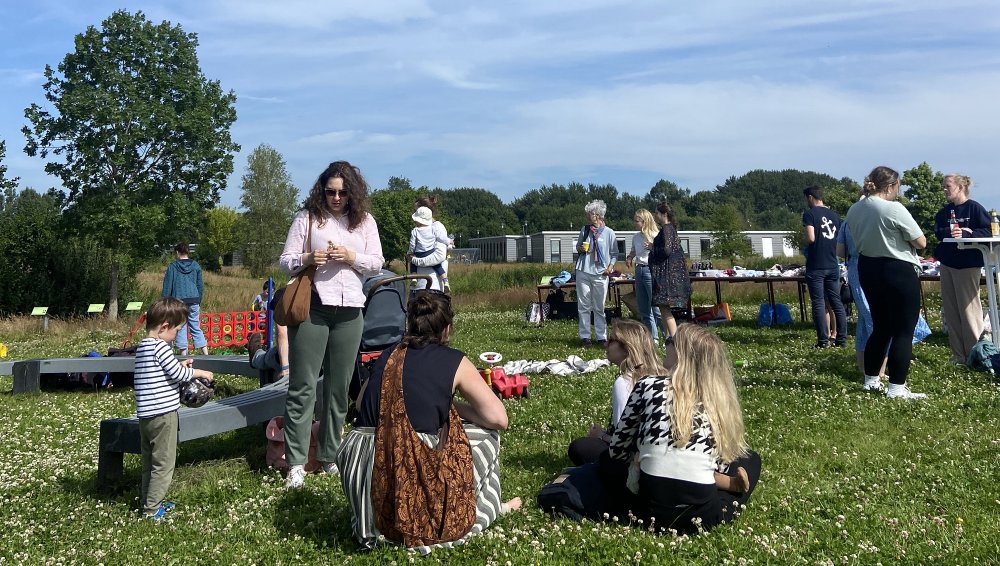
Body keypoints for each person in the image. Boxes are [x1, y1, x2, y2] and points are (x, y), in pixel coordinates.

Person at [337, 290, 521, 552]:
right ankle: (483, 505)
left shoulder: (388, 355)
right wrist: (453, 406)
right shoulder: (454, 361)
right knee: (488, 436)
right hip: (403, 467)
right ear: (446, 329)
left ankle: (377, 523)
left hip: (362, 464)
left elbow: (359, 403)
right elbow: (498, 418)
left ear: (410, 324)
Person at [278, 160, 384, 488]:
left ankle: (328, 456)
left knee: (338, 389)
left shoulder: (364, 222)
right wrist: (309, 259)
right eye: (330, 191)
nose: (336, 198)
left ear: (352, 193)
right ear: (321, 191)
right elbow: (286, 262)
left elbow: (378, 263)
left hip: (350, 310)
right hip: (314, 307)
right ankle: (296, 463)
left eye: (342, 192)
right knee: (303, 386)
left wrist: (351, 258)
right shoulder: (307, 218)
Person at [603, 323, 760, 534]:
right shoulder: (717, 400)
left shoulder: (648, 384)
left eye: (670, 341)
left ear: (681, 352)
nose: (665, 345)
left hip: (647, 509)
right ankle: (727, 499)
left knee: (602, 460)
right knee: (751, 459)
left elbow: (617, 451)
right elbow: (719, 467)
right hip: (702, 516)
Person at [844, 166, 928, 399]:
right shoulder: (893, 208)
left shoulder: (854, 209)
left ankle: (871, 380)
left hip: (868, 268)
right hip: (897, 269)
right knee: (903, 330)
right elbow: (921, 241)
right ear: (891, 186)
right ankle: (897, 387)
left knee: (881, 327)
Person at [134, 297, 215, 520]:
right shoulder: (161, 346)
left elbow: (161, 371)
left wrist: (178, 363)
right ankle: (152, 510)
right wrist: (200, 373)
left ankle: (147, 500)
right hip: (163, 416)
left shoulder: (143, 346)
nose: (178, 335)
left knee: (149, 462)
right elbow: (179, 376)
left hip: (146, 416)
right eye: (178, 330)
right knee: (164, 463)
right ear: (164, 327)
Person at [568, 319, 672, 465]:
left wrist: (601, 435)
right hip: (667, 454)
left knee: (580, 447)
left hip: (638, 460)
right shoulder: (665, 375)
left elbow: (624, 441)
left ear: (626, 347)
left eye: (611, 340)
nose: (606, 344)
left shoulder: (625, 382)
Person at [933, 174, 991, 365]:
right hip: (948, 262)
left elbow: (990, 229)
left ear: (960, 187)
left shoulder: (974, 208)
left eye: (947, 186)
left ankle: (975, 354)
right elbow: (938, 231)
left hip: (967, 264)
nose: (944, 189)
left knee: (968, 310)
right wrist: (950, 231)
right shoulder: (944, 212)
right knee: (951, 311)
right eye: (944, 186)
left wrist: (969, 232)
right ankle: (958, 355)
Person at [837, 191, 888, 380]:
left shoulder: (848, 220)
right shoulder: (877, 217)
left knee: (865, 319)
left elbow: (840, 250)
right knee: (877, 320)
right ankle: (879, 368)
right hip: (875, 266)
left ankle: (862, 364)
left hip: (855, 268)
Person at [802, 185, 848, 348]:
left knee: (819, 303)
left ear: (809, 197)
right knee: (836, 301)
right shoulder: (835, 215)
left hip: (816, 264)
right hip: (832, 263)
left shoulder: (809, 214)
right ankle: (841, 338)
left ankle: (823, 340)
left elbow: (811, 238)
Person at [575, 200, 617, 347]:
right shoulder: (585, 229)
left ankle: (601, 336)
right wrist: (581, 248)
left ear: (598, 215)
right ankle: (585, 336)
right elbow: (578, 247)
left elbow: (614, 253)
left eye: (590, 213)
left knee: (599, 306)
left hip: (601, 273)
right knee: (584, 305)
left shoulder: (609, 233)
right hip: (583, 270)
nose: (588, 216)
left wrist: (611, 267)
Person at [649, 202, 692, 342]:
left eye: (657, 213)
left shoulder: (667, 229)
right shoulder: (671, 229)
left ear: (664, 214)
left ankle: (674, 340)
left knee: (664, 309)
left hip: (666, 277)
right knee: (663, 309)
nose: (656, 215)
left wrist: (653, 248)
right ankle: (668, 339)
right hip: (670, 275)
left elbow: (667, 250)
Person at [161, 243, 209, 356]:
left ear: (177, 253)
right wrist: (199, 299)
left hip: (179, 301)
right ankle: (206, 353)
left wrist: (165, 301)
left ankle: (184, 355)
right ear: (187, 252)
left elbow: (167, 286)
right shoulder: (196, 265)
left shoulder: (173, 267)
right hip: (194, 299)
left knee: (181, 327)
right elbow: (200, 285)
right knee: (195, 326)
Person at [624, 209, 663, 342]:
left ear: (645, 221)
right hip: (639, 270)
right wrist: (630, 257)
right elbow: (634, 250)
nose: (635, 223)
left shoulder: (655, 235)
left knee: (656, 306)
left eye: (637, 221)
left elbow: (663, 254)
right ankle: (653, 338)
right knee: (643, 307)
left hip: (650, 270)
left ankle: (668, 335)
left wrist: (653, 248)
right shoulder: (636, 237)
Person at [248, 288, 289, 381]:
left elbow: (281, 332)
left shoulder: (285, 294)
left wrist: (285, 368)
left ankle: (256, 356)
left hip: (288, 357)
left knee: (270, 356)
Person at [408, 206, 450, 291]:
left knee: (413, 264)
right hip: (430, 252)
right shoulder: (433, 228)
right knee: (438, 266)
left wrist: (410, 254)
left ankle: (414, 278)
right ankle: (445, 280)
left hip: (419, 253)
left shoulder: (415, 230)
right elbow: (442, 238)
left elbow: (412, 244)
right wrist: (449, 242)